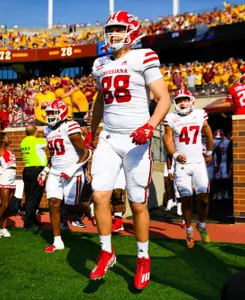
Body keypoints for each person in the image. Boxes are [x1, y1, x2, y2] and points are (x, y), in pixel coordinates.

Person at [85, 11, 171, 290]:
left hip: (136, 140)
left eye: (119, 29)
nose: (113, 34)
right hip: (109, 138)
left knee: (137, 202)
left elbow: (163, 99)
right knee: (99, 194)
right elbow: (99, 101)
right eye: (109, 29)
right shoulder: (100, 64)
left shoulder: (143, 57)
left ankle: (143, 258)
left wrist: (150, 125)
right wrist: (91, 129)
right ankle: (107, 251)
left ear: (132, 31)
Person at [40, 99, 92, 253]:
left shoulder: (70, 126)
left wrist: (73, 169)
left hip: (73, 172)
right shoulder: (47, 131)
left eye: (52, 113)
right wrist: (46, 170)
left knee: (72, 206)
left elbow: (86, 152)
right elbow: (54, 156)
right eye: (48, 113)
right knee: (54, 204)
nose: (49, 116)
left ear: (62, 113)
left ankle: (90, 208)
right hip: (56, 172)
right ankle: (57, 241)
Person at [163, 89, 214, 248]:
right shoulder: (171, 118)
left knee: (204, 198)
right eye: (179, 101)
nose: (182, 103)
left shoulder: (199, 114)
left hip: (198, 162)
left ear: (191, 101)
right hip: (182, 166)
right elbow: (168, 140)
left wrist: (210, 152)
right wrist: (175, 154)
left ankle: (202, 224)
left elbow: (209, 133)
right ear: (175, 103)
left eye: (185, 100)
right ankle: (189, 231)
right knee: (186, 199)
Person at [0, 120, 16, 238]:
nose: (9, 138)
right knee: (4, 204)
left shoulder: (9, 151)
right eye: (7, 137)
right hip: (5, 178)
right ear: (2, 140)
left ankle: (4, 228)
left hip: (12, 178)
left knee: (9, 205)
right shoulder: (0, 149)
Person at [20, 125, 48, 231]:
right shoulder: (37, 141)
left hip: (27, 171)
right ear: (35, 132)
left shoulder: (23, 142)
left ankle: (32, 220)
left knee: (29, 197)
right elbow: (48, 141)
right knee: (34, 198)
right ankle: (29, 223)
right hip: (36, 172)